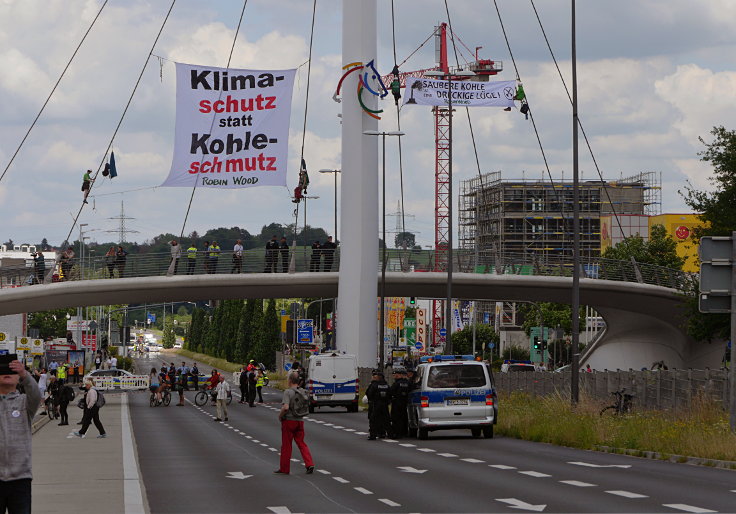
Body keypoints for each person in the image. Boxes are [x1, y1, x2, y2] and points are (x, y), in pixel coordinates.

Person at [0, 357, 41, 512]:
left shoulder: (24, 403)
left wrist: (25, 374)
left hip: (20, 479)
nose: (7, 373)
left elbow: (36, 394)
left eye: (12, 371)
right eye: (2, 371)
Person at [274, 372, 314, 475]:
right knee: (301, 443)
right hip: (300, 421)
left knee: (287, 445)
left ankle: (284, 468)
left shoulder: (288, 392)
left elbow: (286, 407)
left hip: (289, 421)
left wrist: (280, 415)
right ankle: (309, 463)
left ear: (290, 381)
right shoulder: (303, 391)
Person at [365, 370, 391, 440]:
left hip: (375, 404)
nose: (373, 377)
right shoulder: (386, 385)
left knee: (373, 420)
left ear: (378, 377)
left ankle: (373, 435)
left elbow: (368, 394)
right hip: (384, 405)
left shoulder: (373, 385)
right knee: (385, 419)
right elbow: (390, 395)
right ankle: (386, 433)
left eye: (374, 376)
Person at [389, 367, 410, 438]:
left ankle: (397, 433)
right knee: (404, 417)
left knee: (396, 418)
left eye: (395, 374)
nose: (394, 376)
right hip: (405, 402)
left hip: (397, 403)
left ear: (400, 374)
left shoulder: (397, 383)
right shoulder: (408, 383)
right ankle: (404, 432)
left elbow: (390, 392)